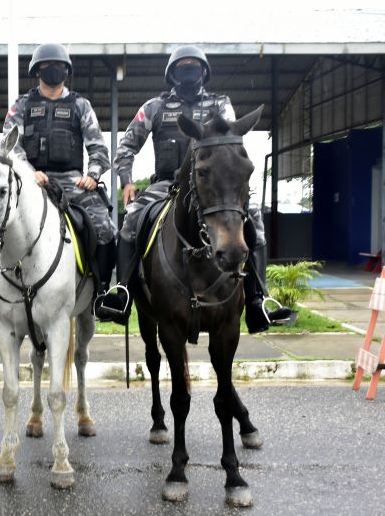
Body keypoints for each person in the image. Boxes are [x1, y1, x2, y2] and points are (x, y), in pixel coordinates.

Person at [112, 45, 293, 332]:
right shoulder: (154, 107)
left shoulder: (221, 105)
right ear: (173, 74)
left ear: (203, 73)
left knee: (254, 219)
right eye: (183, 66)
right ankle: (122, 292)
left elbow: (232, 140)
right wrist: (127, 181)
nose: (189, 71)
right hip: (165, 184)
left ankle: (259, 299)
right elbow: (126, 147)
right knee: (130, 221)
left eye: (193, 66)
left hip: (211, 187)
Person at [3, 43, 122, 320]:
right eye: (45, 67)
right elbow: (10, 144)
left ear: (66, 72)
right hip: (31, 180)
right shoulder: (21, 105)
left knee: (105, 228)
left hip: (71, 182)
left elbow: (98, 149)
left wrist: (92, 175)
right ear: (37, 71)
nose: (51, 71)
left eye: (56, 67)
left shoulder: (80, 105)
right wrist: (28, 171)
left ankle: (102, 292)